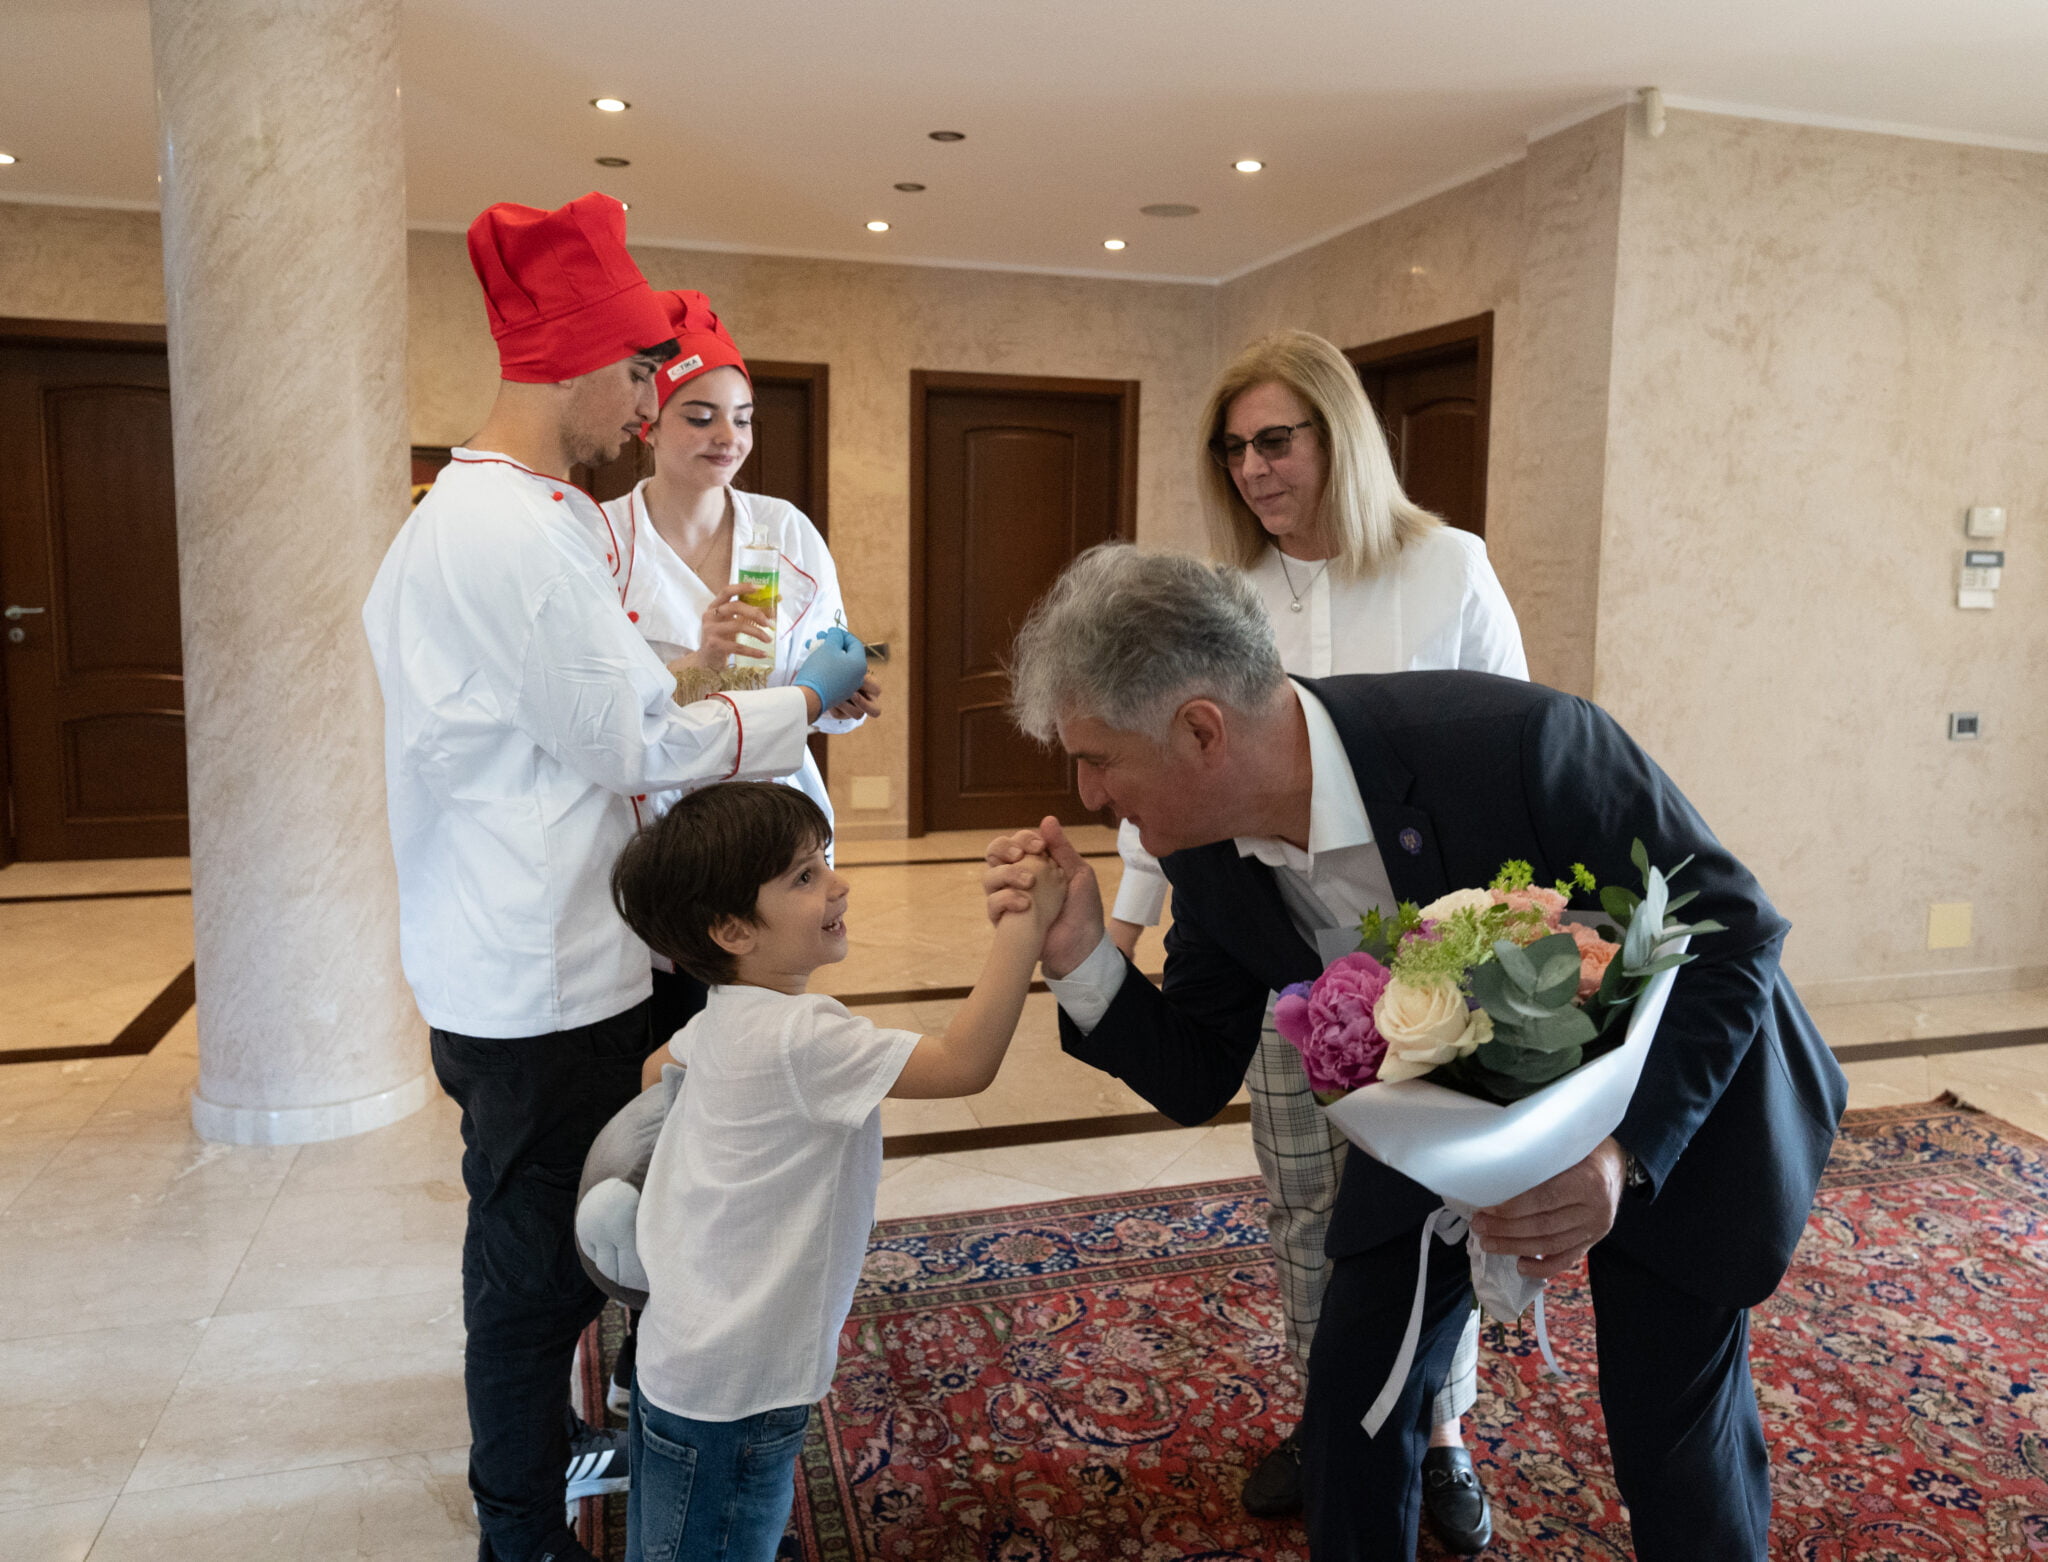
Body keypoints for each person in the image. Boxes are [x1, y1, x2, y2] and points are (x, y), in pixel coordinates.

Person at [984, 545, 1847, 1562]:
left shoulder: (1514, 743)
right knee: (1353, 1398)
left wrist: (1621, 1160)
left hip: (1673, 1103)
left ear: (1201, 730)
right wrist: (1082, 957)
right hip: (1442, 1116)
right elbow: (1196, 1071)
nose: (1088, 792)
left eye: (1098, 758)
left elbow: (1729, 933)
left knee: (1672, 1434)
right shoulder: (1209, 855)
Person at [363, 192, 871, 1562]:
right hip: (541, 970)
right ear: (584, 364)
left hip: (549, 944)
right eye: (646, 376)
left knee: (580, 1230)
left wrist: (715, 679)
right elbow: (632, 739)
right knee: (532, 1276)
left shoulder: (513, 512)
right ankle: (520, 1532)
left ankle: (567, 1461)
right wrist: (797, 700)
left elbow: (604, 697)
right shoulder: (510, 532)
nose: (651, 405)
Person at [1106, 329, 1523, 1542]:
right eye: (1231, 448)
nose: (1250, 469)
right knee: (1305, 1203)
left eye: (1273, 440)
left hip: (1434, 959)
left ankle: (1439, 1430)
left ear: (1336, 437)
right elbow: (1168, 772)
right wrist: (1125, 919)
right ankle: (1328, 1412)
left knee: (1435, 1206)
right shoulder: (1220, 599)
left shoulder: (1447, 567)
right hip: (1286, 960)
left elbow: (1512, 746)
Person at [609, 782, 1065, 1562]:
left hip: (685, 1353)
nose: (837, 883)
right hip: (742, 1386)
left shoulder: (718, 1017)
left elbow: (658, 1072)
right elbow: (965, 1064)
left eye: (822, 861)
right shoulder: (800, 1038)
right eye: (803, 876)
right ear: (732, 930)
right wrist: (1025, 928)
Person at [599, 288, 879, 1048]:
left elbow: (818, 671)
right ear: (649, 423)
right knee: (675, 1037)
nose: (728, 438)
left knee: (765, 1033)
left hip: (774, 834)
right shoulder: (602, 544)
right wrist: (701, 662)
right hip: (659, 836)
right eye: (701, 417)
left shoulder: (784, 533)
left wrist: (835, 697)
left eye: (743, 418)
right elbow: (603, 716)